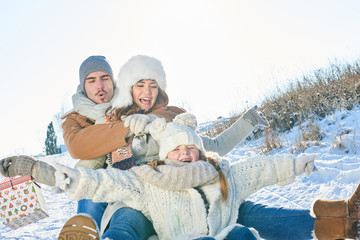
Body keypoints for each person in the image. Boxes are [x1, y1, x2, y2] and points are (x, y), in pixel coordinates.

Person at [0, 55, 267, 239]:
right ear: (82, 85)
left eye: (104, 78)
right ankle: (86, 228)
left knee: (240, 211)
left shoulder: (158, 116)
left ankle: (303, 222)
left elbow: (210, 145)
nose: (99, 85)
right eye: (91, 80)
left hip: (166, 186)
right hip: (122, 185)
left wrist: (247, 122)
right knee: (107, 205)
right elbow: (84, 156)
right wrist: (37, 169)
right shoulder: (84, 119)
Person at [53, 112, 323, 240]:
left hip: (219, 230)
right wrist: (77, 179)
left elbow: (258, 169)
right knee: (127, 221)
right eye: (177, 149)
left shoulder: (217, 171)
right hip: (171, 228)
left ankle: (330, 222)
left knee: (243, 233)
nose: (184, 153)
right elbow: (112, 181)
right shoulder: (150, 175)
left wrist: (295, 164)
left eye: (191, 149)